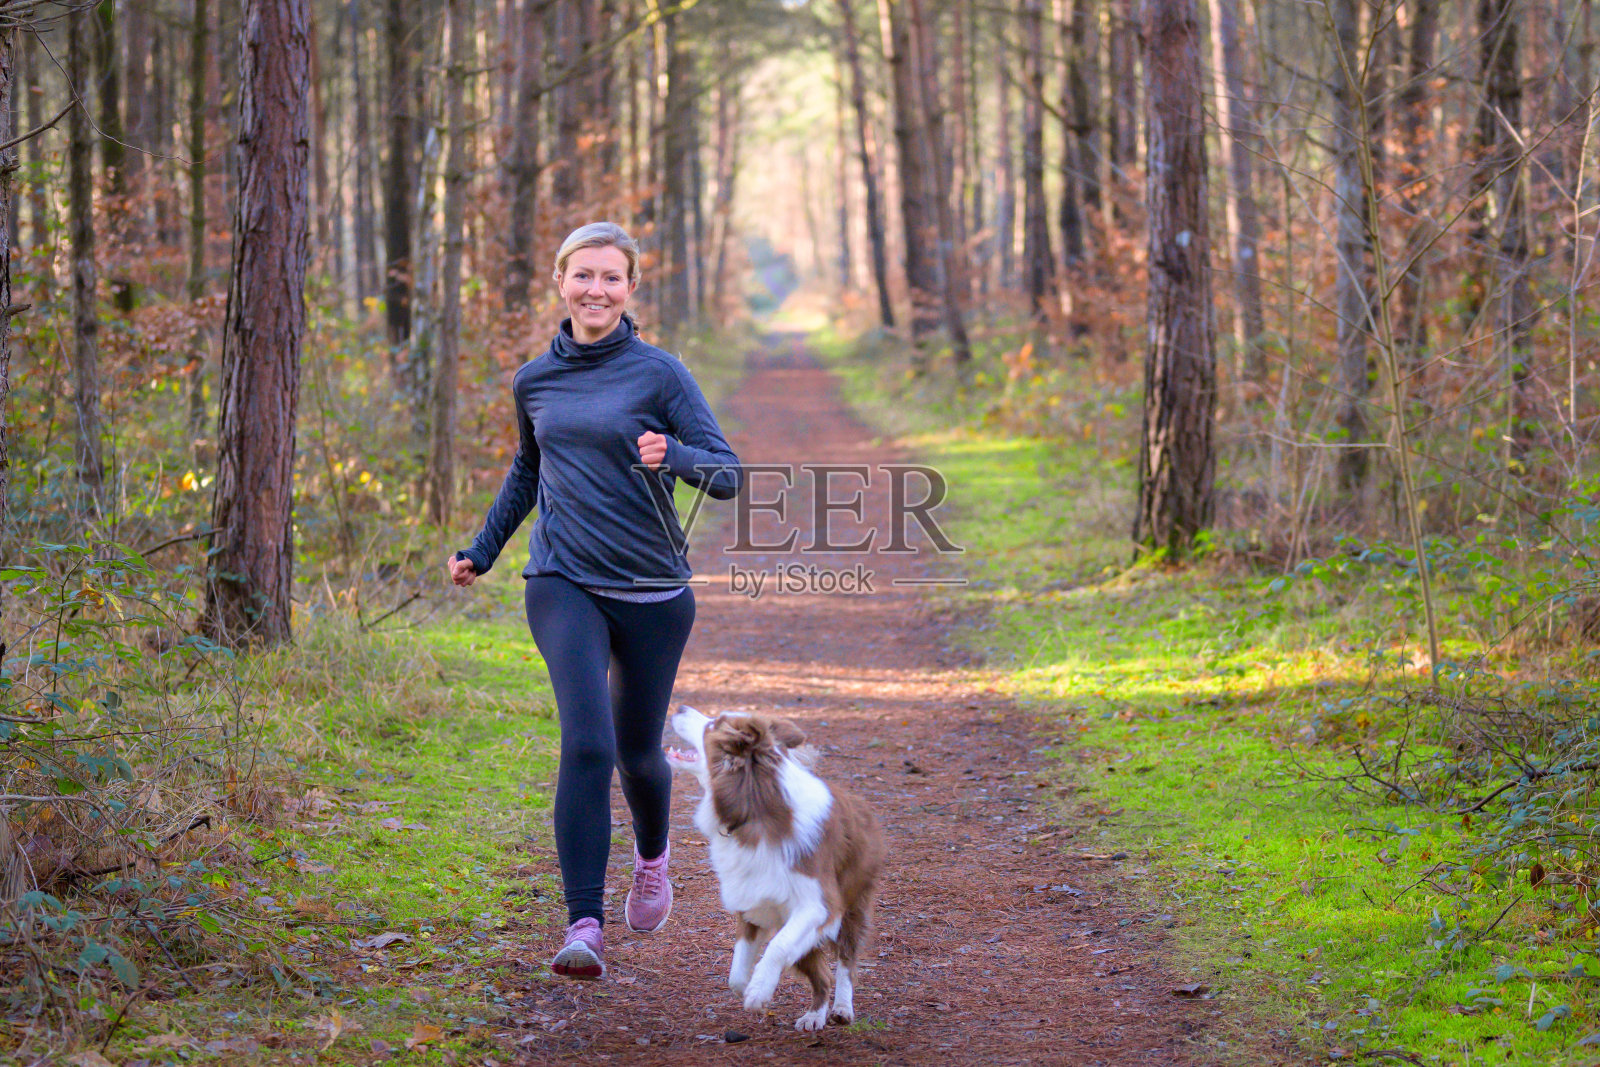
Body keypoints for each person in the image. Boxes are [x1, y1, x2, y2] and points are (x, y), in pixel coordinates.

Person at [447, 221, 742, 980]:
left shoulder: (661, 375)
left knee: (639, 753)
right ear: (560, 281)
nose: (596, 290)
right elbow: (526, 472)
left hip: (653, 590)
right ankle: (584, 923)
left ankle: (652, 857)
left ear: (631, 288)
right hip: (563, 580)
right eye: (584, 275)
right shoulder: (533, 380)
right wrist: (482, 549)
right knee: (587, 742)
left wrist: (673, 455)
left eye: (612, 277)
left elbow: (728, 473)